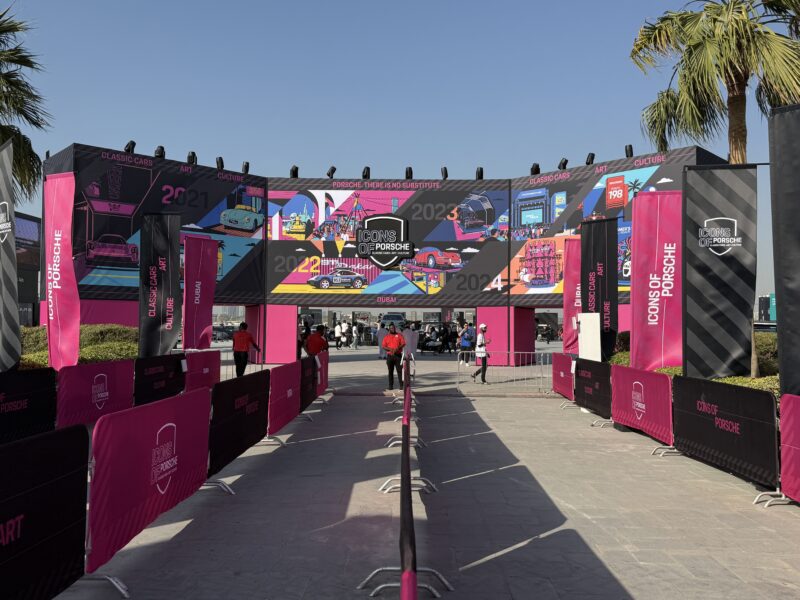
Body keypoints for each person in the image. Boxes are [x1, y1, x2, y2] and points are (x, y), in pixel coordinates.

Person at [382, 323, 406, 390]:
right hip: (390, 356)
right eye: (391, 328)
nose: (392, 329)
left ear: (395, 328)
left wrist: (397, 348)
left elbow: (403, 343)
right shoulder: (386, 337)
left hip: (398, 356)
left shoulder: (399, 335)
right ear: (389, 329)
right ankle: (390, 386)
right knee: (390, 371)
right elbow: (384, 346)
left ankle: (401, 385)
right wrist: (390, 349)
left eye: (393, 328)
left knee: (400, 371)